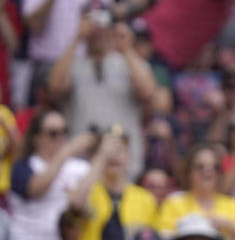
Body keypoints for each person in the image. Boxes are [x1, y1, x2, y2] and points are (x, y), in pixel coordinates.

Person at [48, 13, 156, 180]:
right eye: (93, 26)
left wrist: (126, 47)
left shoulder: (129, 62)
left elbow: (148, 92)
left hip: (124, 161)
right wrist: (76, 38)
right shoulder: (74, 64)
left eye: (104, 27)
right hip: (81, 162)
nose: (98, 32)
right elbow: (55, 87)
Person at [8, 110, 94, 240]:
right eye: (53, 133)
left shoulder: (81, 166)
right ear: (36, 138)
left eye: (64, 131)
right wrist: (66, 152)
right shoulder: (23, 166)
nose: (60, 137)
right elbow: (35, 189)